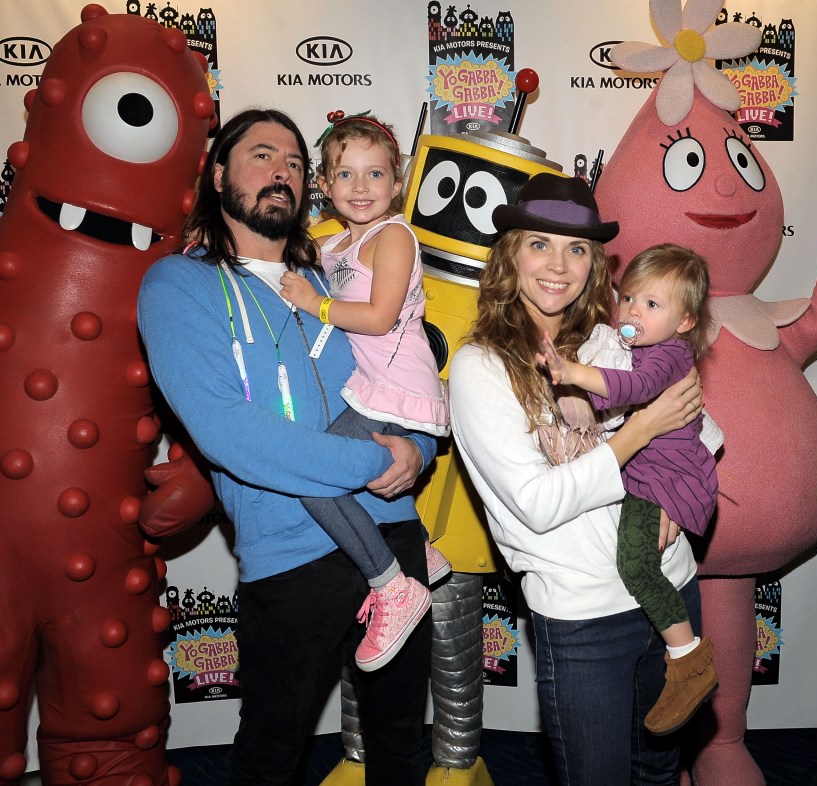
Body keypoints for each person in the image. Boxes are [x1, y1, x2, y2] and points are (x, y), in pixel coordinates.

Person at [137, 108, 435, 786]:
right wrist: (374, 460)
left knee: (400, 748)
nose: (283, 172)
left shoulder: (336, 281)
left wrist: (416, 448)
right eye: (263, 155)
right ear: (217, 176)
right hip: (291, 554)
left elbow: (400, 369)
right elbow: (228, 432)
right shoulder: (179, 284)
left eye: (296, 163)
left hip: (395, 534)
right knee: (271, 756)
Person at [448, 172, 706, 785]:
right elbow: (538, 504)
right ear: (509, 255)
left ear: (595, 264)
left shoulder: (614, 340)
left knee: (660, 770)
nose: (559, 265)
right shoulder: (479, 367)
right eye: (540, 243)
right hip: (583, 617)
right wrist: (636, 435)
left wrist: (679, 487)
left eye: (577, 249)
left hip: (671, 587)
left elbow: (699, 428)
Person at [279, 111, 450, 673]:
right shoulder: (336, 245)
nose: (360, 188)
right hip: (372, 389)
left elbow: (378, 317)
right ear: (324, 187)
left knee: (311, 475)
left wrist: (316, 304)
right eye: (345, 175)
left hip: (399, 390)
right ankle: (420, 549)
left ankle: (393, 585)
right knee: (350, 472)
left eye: (375, 175)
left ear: (397, 183)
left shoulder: (394, 236)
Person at [536, 242, 719, 737]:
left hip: (663, 481)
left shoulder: (667, 357)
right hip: (655, 474)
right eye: (630, 298)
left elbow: (630, 390)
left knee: (635, 563)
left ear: (685, 322)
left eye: (652, 305)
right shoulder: (645, 348)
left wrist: (572, 372)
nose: (634, 311)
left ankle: (687, 660)